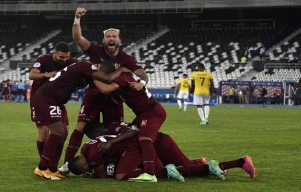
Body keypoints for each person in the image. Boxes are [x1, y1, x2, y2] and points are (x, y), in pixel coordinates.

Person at [59, 6, 149, 174]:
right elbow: (77, 37)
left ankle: (105, 164)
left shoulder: (125, 58)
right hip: (94, 94)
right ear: (104, 40)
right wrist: (77, 18)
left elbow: (142, 73)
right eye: (108, 36)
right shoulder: (95, 50)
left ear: (119, 40)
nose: (111, 38)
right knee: (80, 128)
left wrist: (142, 83)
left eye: (114, 36)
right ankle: (67, 165)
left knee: (112, 132)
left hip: (114, 98)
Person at [32, 59, 130, 180]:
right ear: (98, 67)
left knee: (62, 134)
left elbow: (104, 88)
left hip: (54, 100)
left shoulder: (88, 72)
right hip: (46, 98)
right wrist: (121, 69)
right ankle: (42, 168)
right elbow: (108, 79)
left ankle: (52, 168)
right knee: (58, 132)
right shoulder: (86, 66)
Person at [68, 121, 256, 181]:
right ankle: (238, 162)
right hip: (159, 139)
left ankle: (207, 166)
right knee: (187, 168)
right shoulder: (109, 133)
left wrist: (91, 174)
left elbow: (101, 173)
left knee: (159, 172)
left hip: (145, 146)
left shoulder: (92, 151)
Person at [93, 62, 166, 182]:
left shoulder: (121, 78)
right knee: (132, 133)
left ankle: (150, 173)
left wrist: (93, 76)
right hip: (142, 114)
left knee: (144, 139)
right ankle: (164, 167)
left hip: (152, 112)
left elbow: (105, 90)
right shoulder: (124, 74)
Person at [29, 42, 77, 161]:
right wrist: (47, 75)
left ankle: (52, 159)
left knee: (64, 131)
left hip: (57, 100)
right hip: (39, 99)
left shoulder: (72, 62)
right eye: (61, 57)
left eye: (67, 57)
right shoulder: (44, 59)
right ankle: (44, 161)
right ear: (54, 53)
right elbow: (32, 74)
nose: (65, 60)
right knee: (43, 131)